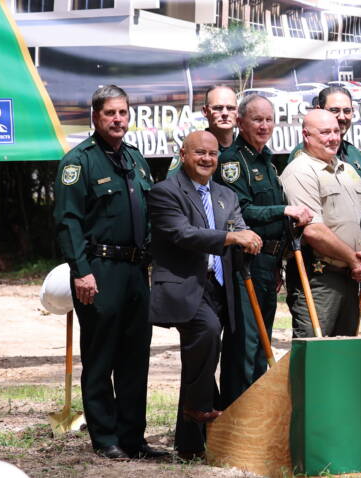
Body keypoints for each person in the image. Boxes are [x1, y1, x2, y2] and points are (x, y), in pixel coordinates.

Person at [52, 85, 166, 461]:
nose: (118, 119)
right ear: (95, 117)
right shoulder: (78, 162)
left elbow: (149, 214)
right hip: (98, 270)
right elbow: (68, 222)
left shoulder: (135, 159)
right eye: (110, 114)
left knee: (136, 355)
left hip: (136, 269)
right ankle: (105, 437)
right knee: (101, 355)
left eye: (123, 113)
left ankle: (133, 436)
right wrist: (81, 272)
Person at [147, 131, 262, 461]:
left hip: (221, 288)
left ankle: (190, 445)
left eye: (213, 154)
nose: (207, 159)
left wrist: (248, 238)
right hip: (186, 286)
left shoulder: (226, 194)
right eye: (200, 153)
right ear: (183, 154)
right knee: (207, 332)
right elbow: (183, 234)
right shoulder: (164, 191)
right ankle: (199, 407)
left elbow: (240, 228)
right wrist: (233, 236)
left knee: (200, 356)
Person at [216, 93, 311, 405]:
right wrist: (284, 210)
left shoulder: (268, 162)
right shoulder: (232, 161)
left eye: (269, 119)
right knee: (245, 342)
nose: (264, 125)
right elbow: (238, 211)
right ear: (241, 122)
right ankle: (237, 415)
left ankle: (256, 417)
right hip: (245, 262)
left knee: (262, 340)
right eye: (257, 119)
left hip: (269, 263)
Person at [278, 109, 361, 337]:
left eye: (336, 131)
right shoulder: (300, 171)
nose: (333, 137)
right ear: (306, 136)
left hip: (351, 275)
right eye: (325, 132)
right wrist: (353, 259)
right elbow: (313, 231)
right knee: (315, 353)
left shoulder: (348, 170)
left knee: (345, 355)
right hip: (318, 279)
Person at [291, 84, 361, 186]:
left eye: (347, 111)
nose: (342, 117)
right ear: (318, 110)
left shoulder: (354, 153)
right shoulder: (306, 152)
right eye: (334, 110)